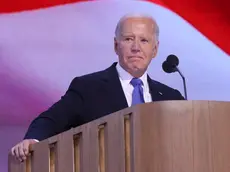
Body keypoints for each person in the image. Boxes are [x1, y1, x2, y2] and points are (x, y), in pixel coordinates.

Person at [11, 13, 184, 162]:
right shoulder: (88, 88)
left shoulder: (172, 98)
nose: (136, 47)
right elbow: (50, 120)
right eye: (129, 39)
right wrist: (32, 140)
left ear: (155, 49)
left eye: (144, 40)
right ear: (116, 45)